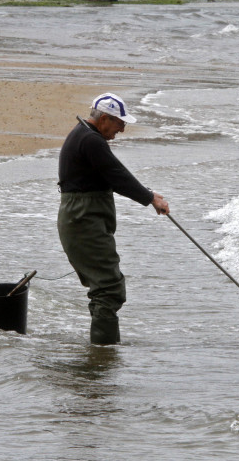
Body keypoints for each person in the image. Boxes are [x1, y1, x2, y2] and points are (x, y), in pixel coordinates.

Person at [57, 93, 170, 345]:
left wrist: (148, 194)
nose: (122, 129)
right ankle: (102, 356)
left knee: (103, 289)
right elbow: (116, 175)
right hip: (82, 220)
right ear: (105, 118)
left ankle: (100, 349)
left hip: (81, 219)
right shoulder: (90, 140)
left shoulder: (86, 135)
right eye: (120, 123)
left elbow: (113, 173)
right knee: (109, 289)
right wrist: (150, 199)